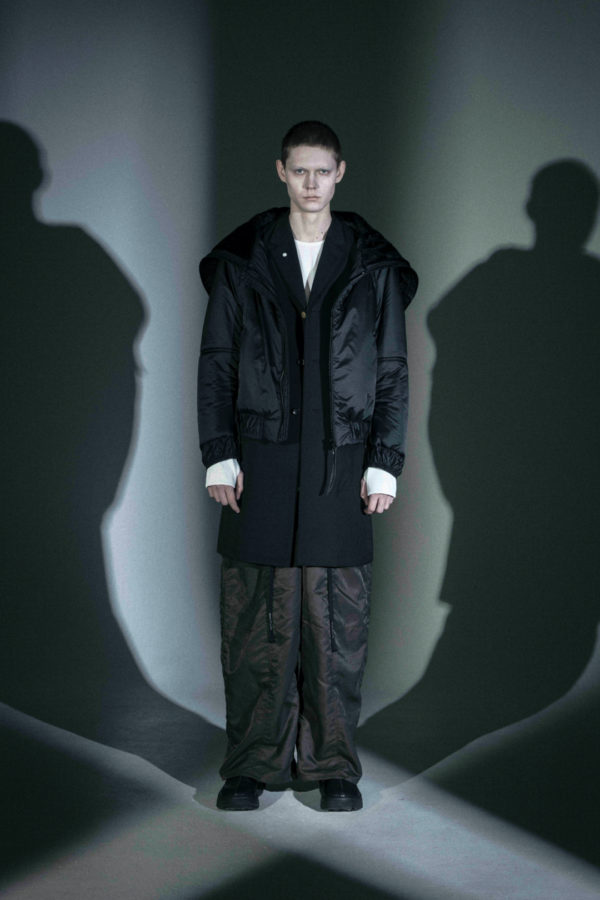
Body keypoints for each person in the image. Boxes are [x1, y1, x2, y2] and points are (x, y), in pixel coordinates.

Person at [197, 121, 417, 811]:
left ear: (340, 173)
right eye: (300, 171)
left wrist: (385, 461)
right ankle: (251, 764)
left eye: (323, 171)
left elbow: (392, 367)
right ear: (281, 172)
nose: (312, 183)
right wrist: (218, 452)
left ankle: (332, 766)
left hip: (341, 462)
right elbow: (217, 362)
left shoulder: (372, 265)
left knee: (336, 623)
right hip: (260, 458)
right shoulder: (243, 261)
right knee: (255, 621)